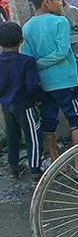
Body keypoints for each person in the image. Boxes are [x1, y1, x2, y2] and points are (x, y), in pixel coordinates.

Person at [21, 0, 78, 176]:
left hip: (42, 84)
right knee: (76, 118)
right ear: (46, 2)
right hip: (65, 82)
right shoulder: (61, 22)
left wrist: (37, 65)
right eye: (58, 0)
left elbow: (27, 58)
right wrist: (42, 62)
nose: (61, 3)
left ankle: (55, 162)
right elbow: (60, 53)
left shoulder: (26, 27)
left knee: (48, 122)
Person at [0, 21, 43, 186]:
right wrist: (39, 98)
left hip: (6, 106)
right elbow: (32, 85)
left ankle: (13, 169)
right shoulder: (27, 61)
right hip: (25, 105)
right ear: (22, 40)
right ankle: (35, 172)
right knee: (33, 138)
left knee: (13, 137)